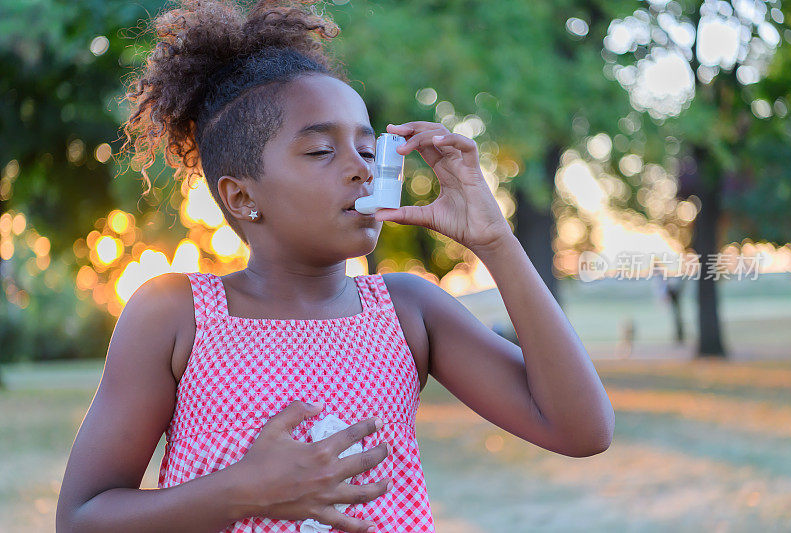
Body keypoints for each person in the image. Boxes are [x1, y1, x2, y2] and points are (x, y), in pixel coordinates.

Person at [56, 1, 615, 532]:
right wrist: (243, 490)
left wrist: (494, 241)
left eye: (369, 151)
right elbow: (82, 518)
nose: (361, 170)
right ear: (241, 196)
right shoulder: (177, 314)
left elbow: (582, 430)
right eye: (322, 151)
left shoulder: (408, 310)